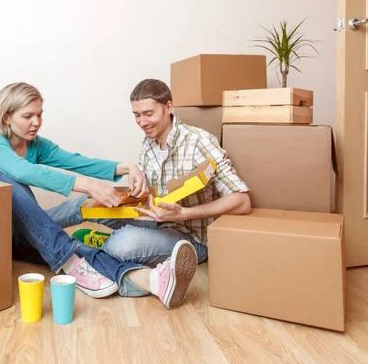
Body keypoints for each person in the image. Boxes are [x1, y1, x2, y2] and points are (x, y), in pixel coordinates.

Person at [0, 82, 198, 309]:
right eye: (28, 116)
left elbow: (76, 161)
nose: (36, 123)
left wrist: (126, 168)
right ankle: (70, 261)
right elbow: (23, 171)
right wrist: (89, 185)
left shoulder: (34, 144)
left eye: (39, 115)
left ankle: (149, 280)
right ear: (6, 117)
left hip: (24, 230)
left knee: (73, 234)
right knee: (7, 182)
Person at [50, 79, 251, 280]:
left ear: (168, 107)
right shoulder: (149, 143)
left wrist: (184, 213)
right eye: (137, 115)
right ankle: (24, 230)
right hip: (157, 222)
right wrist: (137, 193)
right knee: (87, 203)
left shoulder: (200, 142)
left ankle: (103, 244)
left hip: (192, 238)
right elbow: (155, 196)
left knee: (120, 244)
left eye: (148, 114)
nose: (143, 122)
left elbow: (242, 201)